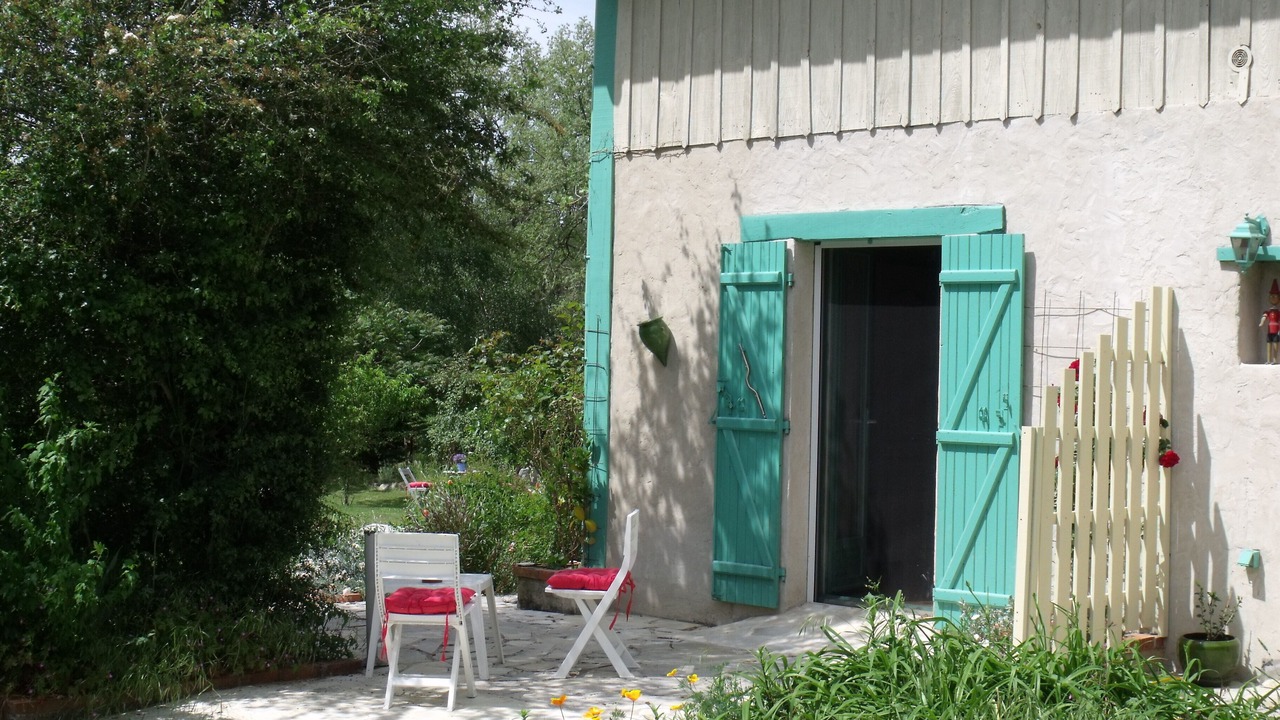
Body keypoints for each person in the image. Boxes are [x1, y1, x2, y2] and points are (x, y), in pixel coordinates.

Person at [1261, 279, 1280, 364]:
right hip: (1270, 330)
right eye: (1271, 296)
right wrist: (1261, 322)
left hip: (1276, 331)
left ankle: (1275, 360)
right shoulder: (1268, 311)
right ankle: (1268, 360)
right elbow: (1264, 317)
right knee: (1269, 345)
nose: (1273, 298)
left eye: (1275, 296)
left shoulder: (1278, 312)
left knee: (1275, 345)